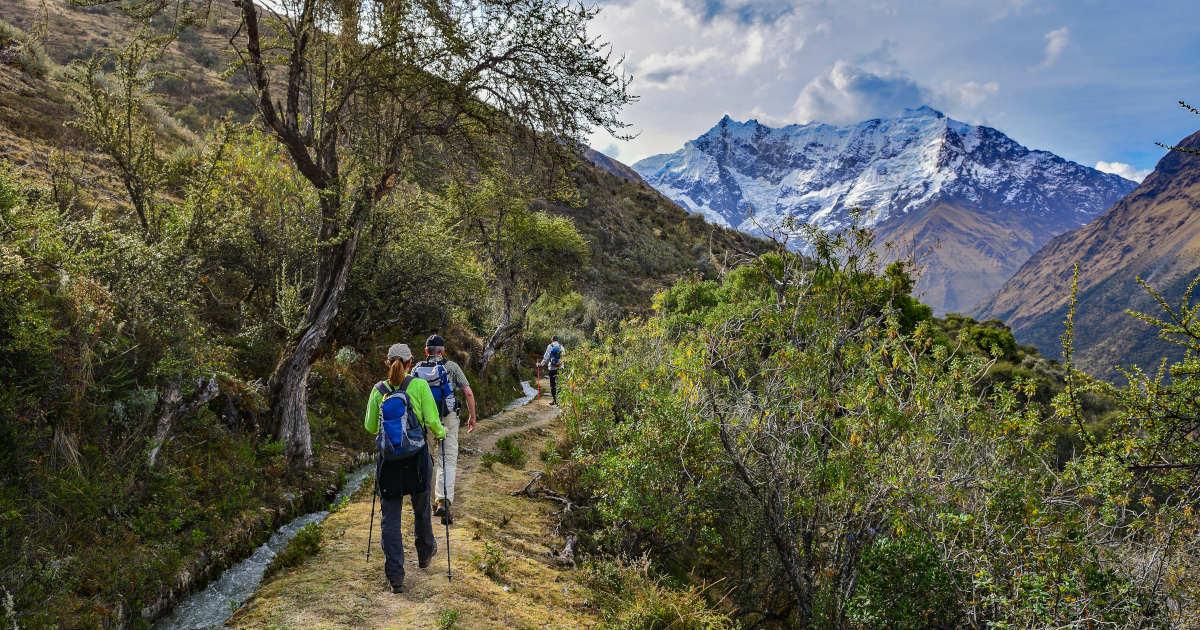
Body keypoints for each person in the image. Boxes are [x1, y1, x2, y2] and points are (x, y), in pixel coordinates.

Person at [363, 343, 446, 594]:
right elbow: (432, 421)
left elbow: (370, 427)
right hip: (417, 459)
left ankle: (396, 577)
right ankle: (424, 554)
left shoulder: (378, 390)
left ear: (388, 362)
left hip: (389, 463)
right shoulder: (419, 386)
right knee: (421, 509)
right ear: (411, 363)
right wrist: (441, 433)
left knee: (391, 519)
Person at [413, 334, 477, 525]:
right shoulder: (452, 367)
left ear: (426, 351)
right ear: (443, 351)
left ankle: (428, 503)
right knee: (447, 459)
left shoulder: (417, 368)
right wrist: (472, 416)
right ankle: (443, 501)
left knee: (428, 459)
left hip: (426, 420)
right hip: (448, 417)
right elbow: (468, 392)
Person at [539, 335, 565, 405]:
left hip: (552, 368)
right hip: (560, 368)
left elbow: (546, 357)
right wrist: (562, 366)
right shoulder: (561, 347)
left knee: (553, 385)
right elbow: (564, 357)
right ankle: (560, 401)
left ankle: (555, 400)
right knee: (559, 384)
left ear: (552, 340)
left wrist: (541, 364)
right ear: (557, 340)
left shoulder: (550, 346)